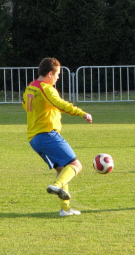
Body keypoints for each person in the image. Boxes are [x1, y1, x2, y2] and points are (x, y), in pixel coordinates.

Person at [22, 57, 93, 217]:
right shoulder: (46, 89)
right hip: (47, 134)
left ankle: (65, 209)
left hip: (34, 138)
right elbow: (60, 103)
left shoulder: (30, 88)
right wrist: (81, 113)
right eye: (57, 74)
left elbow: (26, 105)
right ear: (49, 74)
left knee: (62, 170)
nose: (58, 78)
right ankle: (57, 186)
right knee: (76, 165)